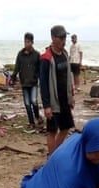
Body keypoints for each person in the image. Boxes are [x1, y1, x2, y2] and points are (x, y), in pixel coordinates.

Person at [40, 25, 74, 155]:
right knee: (52, 131)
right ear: (53, 38)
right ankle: (52, 158)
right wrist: (46, 105)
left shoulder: (65, 54)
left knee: (65, 128)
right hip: (53, 101)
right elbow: (43, 83)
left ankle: (55, 154)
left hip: (64, 99)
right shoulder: (46, 58)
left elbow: (69, 77)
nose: (64, 40)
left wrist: (71, 96)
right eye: (61, 37)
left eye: (65, 37)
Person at [11, 32, 42, 128]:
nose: (26, 44)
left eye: (28, 42)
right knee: (27, 104)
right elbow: (17, 67)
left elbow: (39, 68)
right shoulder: (20, 54)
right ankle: (31, 122)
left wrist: (39, 78)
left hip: (33, 82)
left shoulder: (36, 54)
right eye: (25, 41)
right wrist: (13, 77)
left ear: (32, 42)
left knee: (34, 101)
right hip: (24, 82)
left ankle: (37, 117)